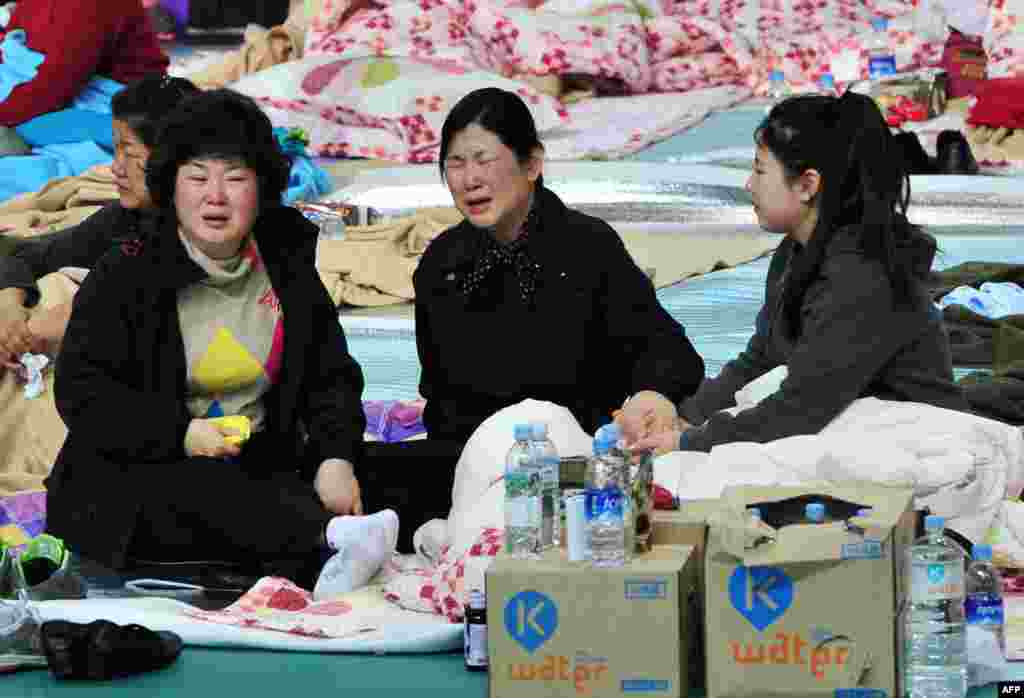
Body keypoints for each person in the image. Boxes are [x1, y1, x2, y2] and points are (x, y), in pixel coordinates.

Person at [45, 90, 382, 585]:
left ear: (262, 187)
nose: (216, 196)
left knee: (392, 471)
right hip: (146, 475)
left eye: (236, 178)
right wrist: (179, 434)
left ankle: (347, 535)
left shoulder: (285, 264)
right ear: (172, 185)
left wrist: (336, 457)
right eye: (198, 177)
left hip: (261, 459)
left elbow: (330, 377)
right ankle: (329, 543)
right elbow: (82, 394)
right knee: (222, 495)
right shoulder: (127, 271)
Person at [630, 92, 970, 455]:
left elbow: (801, 408)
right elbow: (760, 360)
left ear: (807, 185)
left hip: (921, 445)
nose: (749, 184)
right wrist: (683, 417)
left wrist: (689, 441)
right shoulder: (796, 252)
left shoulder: (863, 278)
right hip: (849, 428)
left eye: (760, 170)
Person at [414, 87, 705, 445]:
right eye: (456, 163)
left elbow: (666, 351)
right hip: (471, 460)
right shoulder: (443, 263)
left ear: (532, 164)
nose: (469, 179)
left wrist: (650, 397)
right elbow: (439, 398)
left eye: (483, 159)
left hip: (576, 456)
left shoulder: (586, 245)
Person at [0, 75, 200, 366]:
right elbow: (22, 253)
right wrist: (9, 307)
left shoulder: (205, 238)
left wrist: (29, 333)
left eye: (129, 153)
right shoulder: (128, 217)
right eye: (115, 149)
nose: (115, 168)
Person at [0, 0, 168, 128]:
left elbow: (56, 84)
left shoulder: (90, 5)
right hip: (45, 90)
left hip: (115, 107)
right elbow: (11, 46)